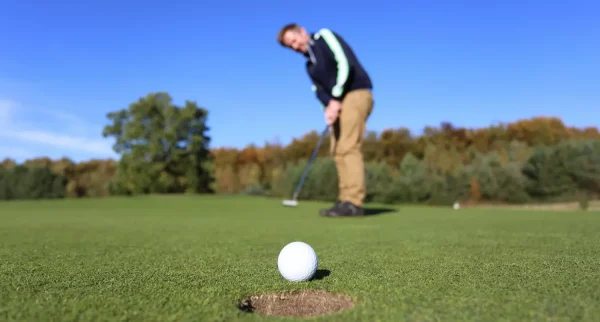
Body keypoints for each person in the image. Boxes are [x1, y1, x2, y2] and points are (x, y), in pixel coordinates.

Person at [277, 23, 374, 217]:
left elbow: (345, 63)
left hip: (355, 93)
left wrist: (336, 97)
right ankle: (345, 199)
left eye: (294, 40)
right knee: (337, 151)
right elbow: (319, 91)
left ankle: (354, 202)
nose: (295, 47)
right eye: (290, 45)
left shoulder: (324, 38)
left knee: (348, 147)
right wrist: (328, 109)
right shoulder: (310, 66)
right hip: (337, 104)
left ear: (302, 32)